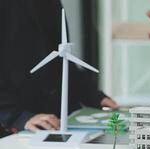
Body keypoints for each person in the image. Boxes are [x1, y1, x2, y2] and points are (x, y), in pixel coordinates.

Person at [0, 0, 118, 133]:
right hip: (16, 128)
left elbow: (59, 57)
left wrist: (93, 95)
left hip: (59, 122)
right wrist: (18, 117)